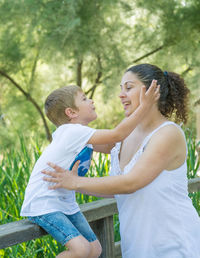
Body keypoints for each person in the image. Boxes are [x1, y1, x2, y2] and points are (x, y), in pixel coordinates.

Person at [43, 63, 200, 258]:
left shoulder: (167, 134)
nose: (121, 95)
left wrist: (75, 182)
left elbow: (131, 183)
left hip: (173, 242)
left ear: (153, 90)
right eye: (121, 89)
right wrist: (69, 182)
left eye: (129, 87)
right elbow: (74, 139)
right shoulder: (123, 137)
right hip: (136, 244)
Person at [20, 81, 159, 258]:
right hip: (43, 203)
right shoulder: (71, 132)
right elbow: (117, 134)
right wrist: (144, 107)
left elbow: (112, 146)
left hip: (65, 204)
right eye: (85, 99)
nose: (91, 100)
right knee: (81, 250)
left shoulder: (79, 135)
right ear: (71, 113)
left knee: (95, 250)